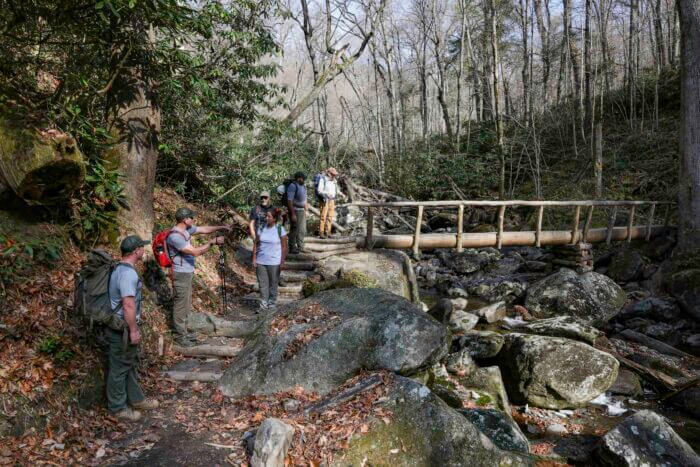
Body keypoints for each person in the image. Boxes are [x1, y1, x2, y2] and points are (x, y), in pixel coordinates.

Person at [106, 235, 159, 422]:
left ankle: (136, 399)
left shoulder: (119, 269)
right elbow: (128, 305)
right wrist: (134, 330)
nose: (144, 250)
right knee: (119, 367)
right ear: (136, 251)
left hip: (120, 326)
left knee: (129, 364)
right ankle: (118, 408)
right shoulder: (128, 273)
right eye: (142, 248)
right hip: (122, 329)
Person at [167, 207, 230, 347]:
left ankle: (184, 331)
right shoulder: (175, 236)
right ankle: (179, 336)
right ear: (185, 219)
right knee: (180, 304)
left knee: (186, 302)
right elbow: (194, 252)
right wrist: (212, 243)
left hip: (187, 272)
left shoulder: (186, 230)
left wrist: (222, 227)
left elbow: (204, 229)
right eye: (191, 217)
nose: (193, 219)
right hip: (180, 273)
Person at [252, 209, 288, 310]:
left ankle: (271, 305)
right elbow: (256, 243)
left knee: (273, 284)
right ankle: (263, 306)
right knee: (263, 285)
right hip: (261, 261)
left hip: (274, 262)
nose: (266, 218)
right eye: (266, 216)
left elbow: (284, 247)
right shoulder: (261, 228)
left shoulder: (280, 229)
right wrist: (254, 258)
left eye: (269, 216)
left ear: (274, 219)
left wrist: (282, 261)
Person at [317, 167, 343, 238]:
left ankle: (328, 232)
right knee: (323, 216)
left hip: (332, 200)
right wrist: (327, 193)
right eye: (333, 174)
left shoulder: (334, 181)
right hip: (325, 200)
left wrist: (341, 194)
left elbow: (336, 190)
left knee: (330, 216)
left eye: (335, 174)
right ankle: (321, 233)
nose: (334, 175)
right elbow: (319, 190)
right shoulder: (323, 180)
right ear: (328, 173)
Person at [286, 172, 308, 254]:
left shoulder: (303, 186)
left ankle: (301, 246)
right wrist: (292, 214)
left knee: (302, 229)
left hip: (302, 210)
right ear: (297, 178)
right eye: (301, 178)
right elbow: (289, 200)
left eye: (303, 178)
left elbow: (305, 199)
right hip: (295, 210)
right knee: (294, 229)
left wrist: (306, 209)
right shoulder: (292, 186)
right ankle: (292, 247)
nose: (303, 179)